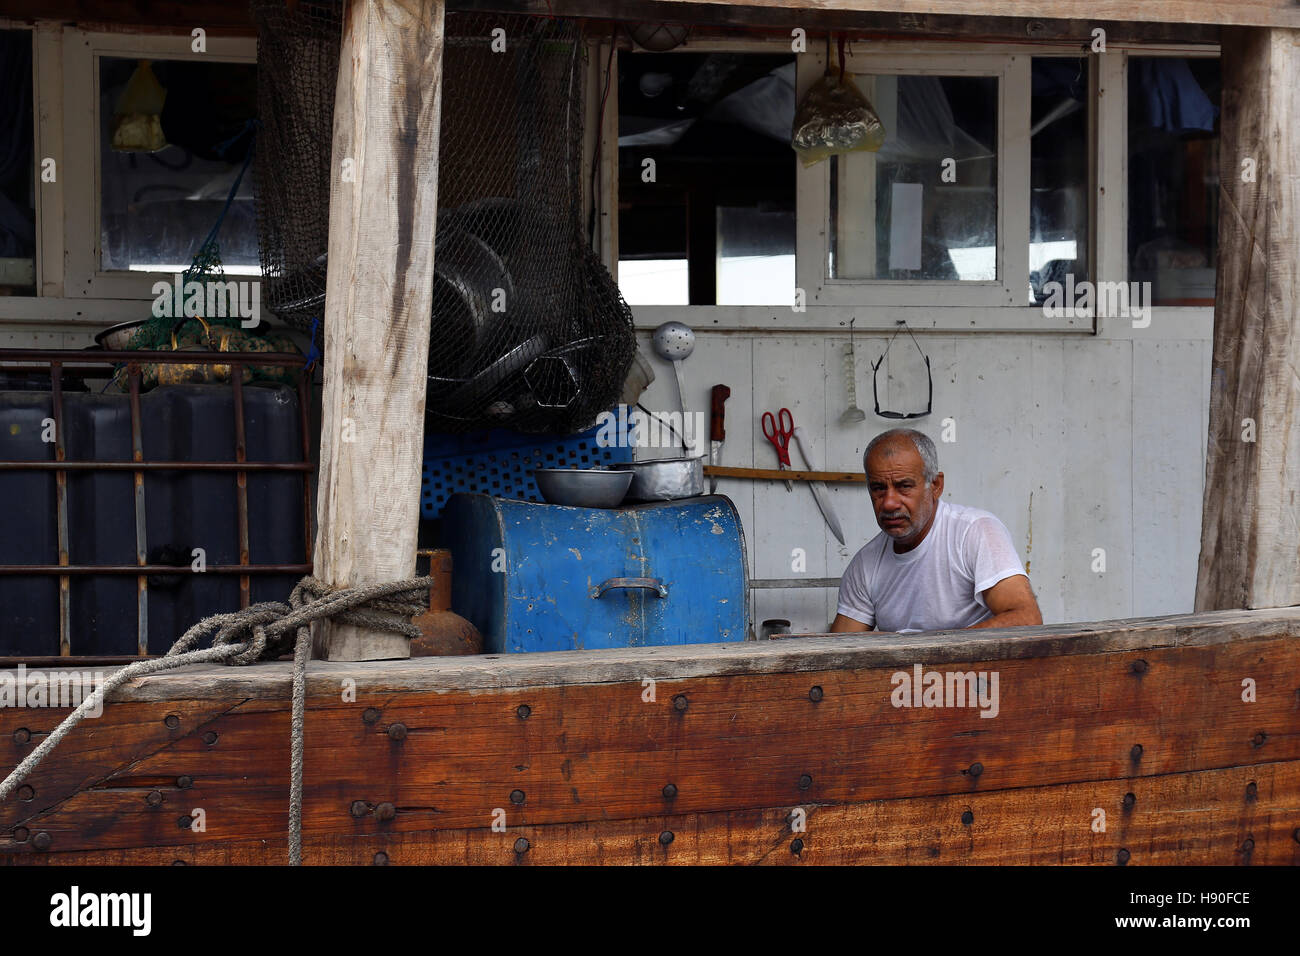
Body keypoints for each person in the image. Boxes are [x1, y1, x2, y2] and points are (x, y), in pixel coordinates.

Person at [830, 428, 1042, 634]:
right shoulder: (865, 565)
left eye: (904, 486)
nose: (889, 503)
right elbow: (838, 652)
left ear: (936, 485)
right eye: (878, 489)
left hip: (978, 670)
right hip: (911, 670)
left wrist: (924, 651)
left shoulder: (975, 532)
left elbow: (1026, 619)